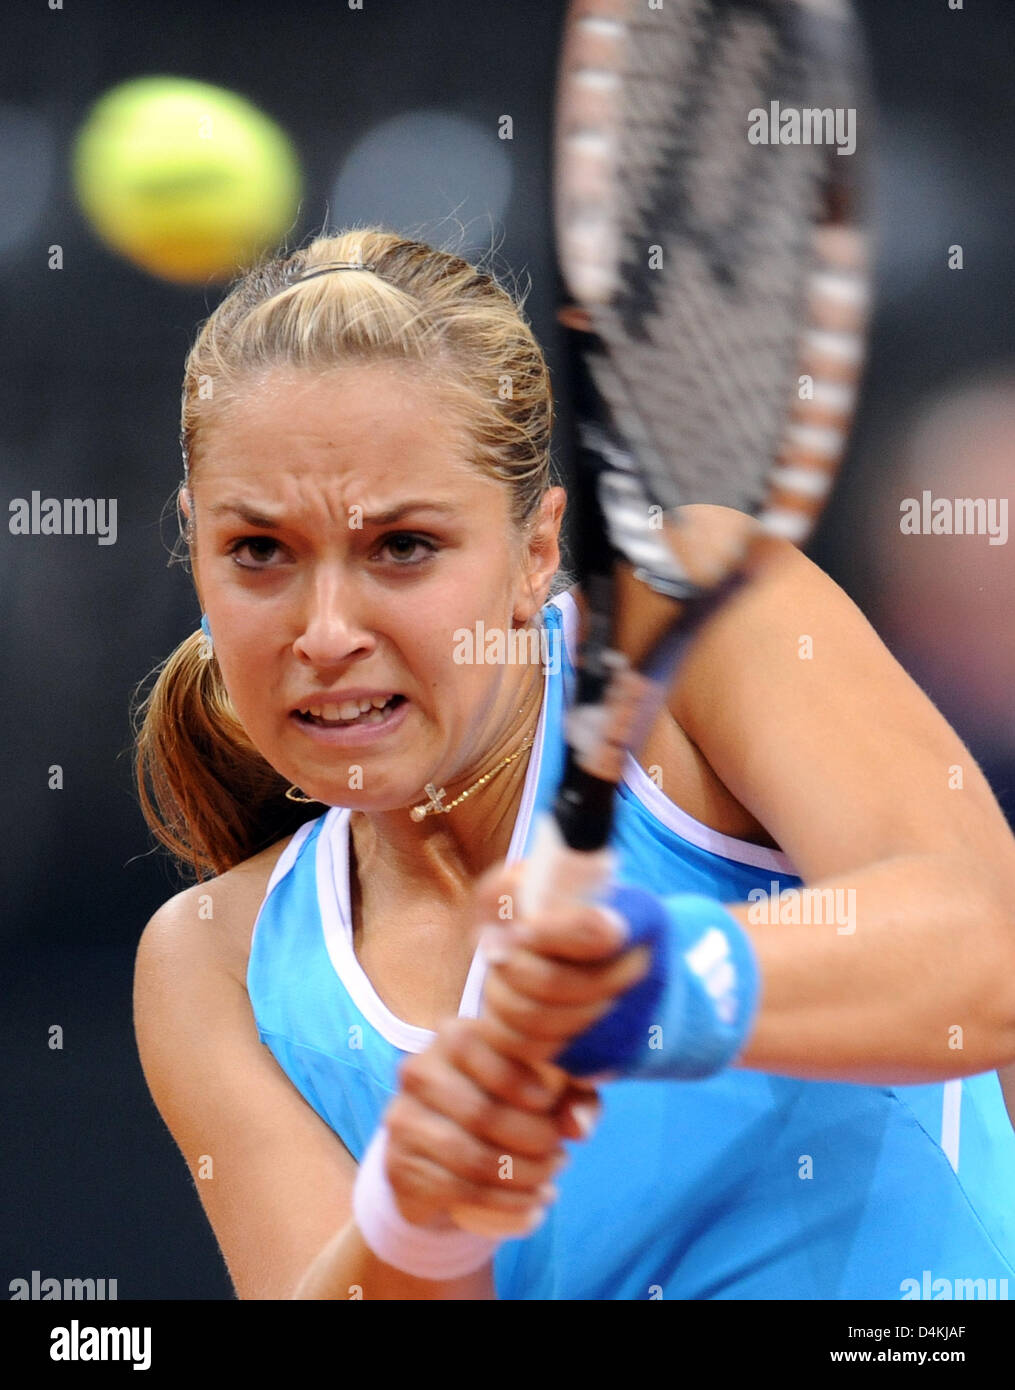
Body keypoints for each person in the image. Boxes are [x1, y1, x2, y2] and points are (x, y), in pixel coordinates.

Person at [133, 227, 1015, 1301]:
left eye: (401, 546)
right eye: (258, 552)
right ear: (195, 544)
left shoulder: (684, 615)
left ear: (538, 550)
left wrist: (647, 981)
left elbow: (988, 945)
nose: (323, 632)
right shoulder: (206, 963)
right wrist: (420, 1222)